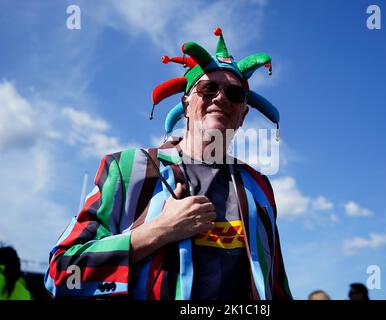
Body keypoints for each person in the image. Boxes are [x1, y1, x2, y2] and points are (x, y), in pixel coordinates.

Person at [44, 27, 292, 300]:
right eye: (208, 88)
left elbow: (277, 286)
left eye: (234, 93)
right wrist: (159, 231)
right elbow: (62, 273)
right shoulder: (128, 168)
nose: (221, 97)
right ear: (186, 105)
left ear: (243, 115)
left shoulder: (258, 187)